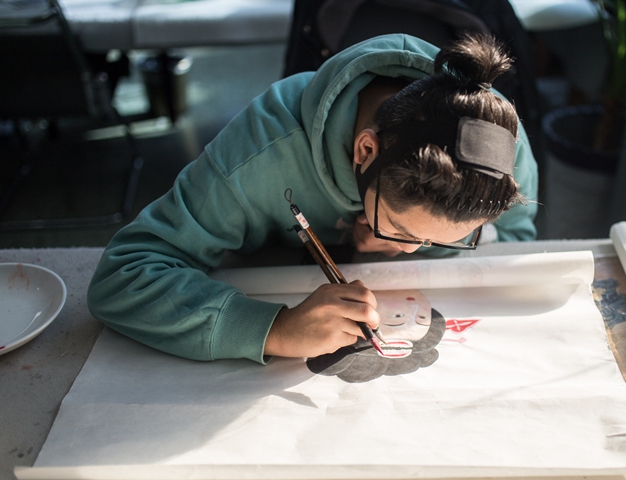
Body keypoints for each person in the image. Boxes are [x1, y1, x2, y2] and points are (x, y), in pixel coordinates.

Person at [87, 33, 538, 365]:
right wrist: (271, 330)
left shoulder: (501, 147)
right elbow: (123, 276)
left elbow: (518, 247)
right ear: (366, 150)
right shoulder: (261, 148)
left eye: (445, 239)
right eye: (399, 230)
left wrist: (383, 243)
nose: (410, 249)